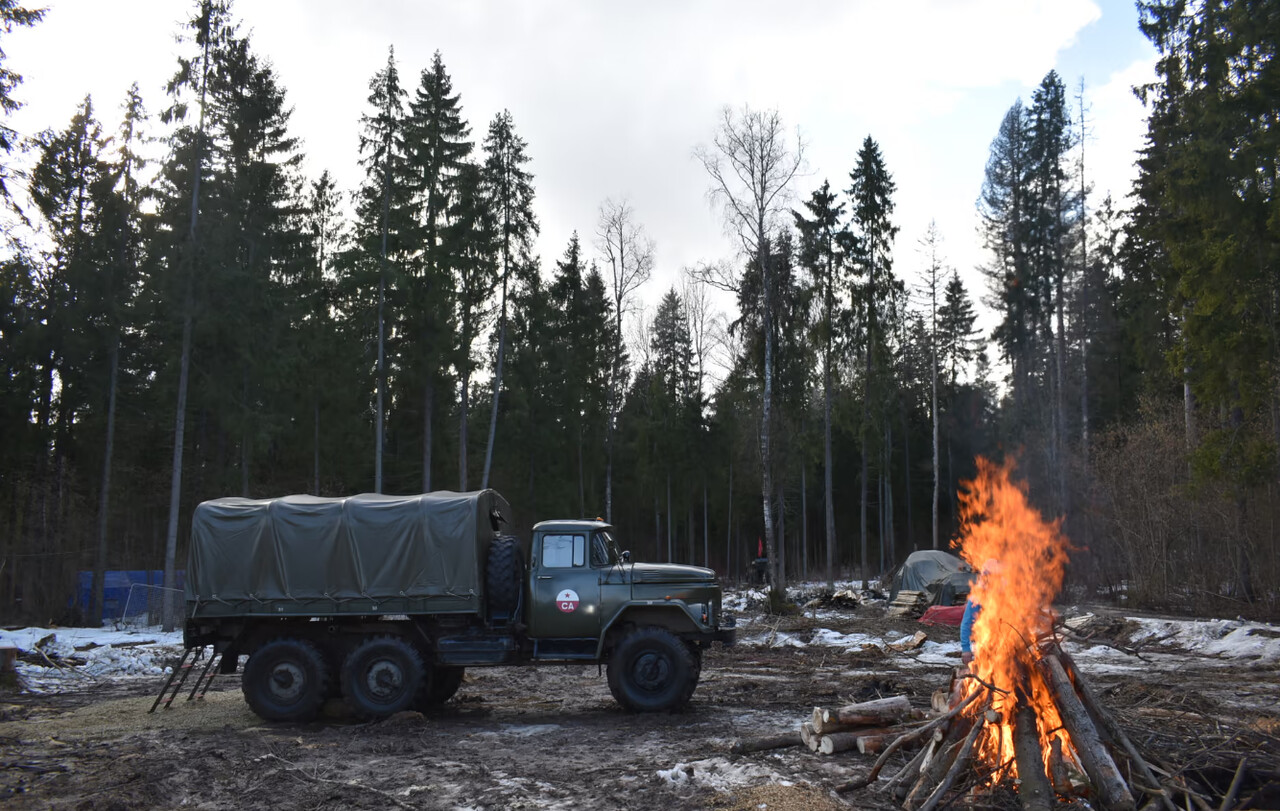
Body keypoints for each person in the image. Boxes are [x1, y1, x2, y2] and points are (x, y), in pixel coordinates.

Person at [959, 559, 1000, 665]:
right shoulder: (978, 597)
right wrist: (966, 650)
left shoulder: (1009, 594)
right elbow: (966, 624)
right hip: (985, 646)